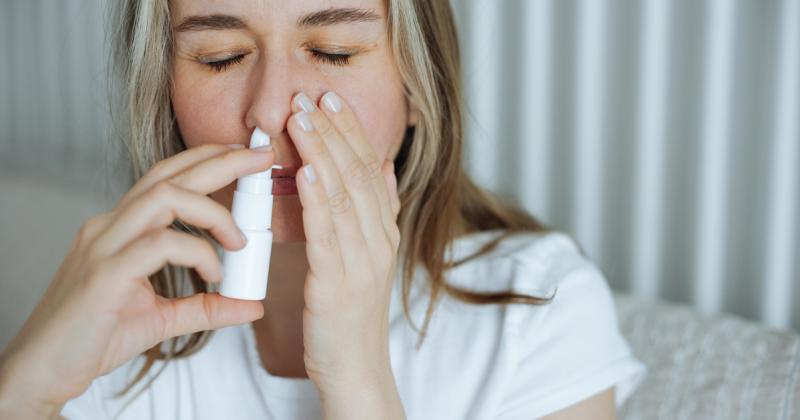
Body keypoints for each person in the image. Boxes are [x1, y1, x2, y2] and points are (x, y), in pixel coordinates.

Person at [0, 0, 647, 419]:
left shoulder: (536, 311)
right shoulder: (124, 319)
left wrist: (357, 375)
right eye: (221, 58)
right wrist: (23, 390)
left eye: (333, 50)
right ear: (165, 90)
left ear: (420, 88)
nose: (270, 109)